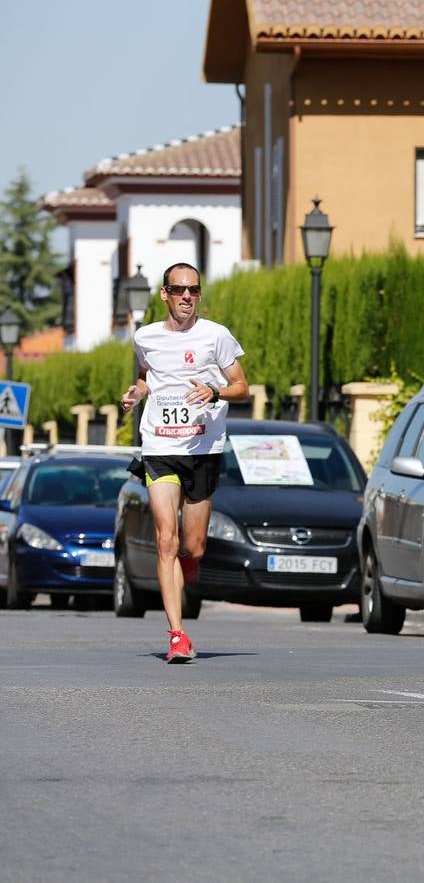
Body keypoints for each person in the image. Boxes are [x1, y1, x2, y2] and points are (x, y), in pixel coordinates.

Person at [120, 263, 248, 663]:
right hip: (159, 444)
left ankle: (189, 562)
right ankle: (177, 634)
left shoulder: (217, 336)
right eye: (179, 290)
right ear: (165, 295)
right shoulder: (145, 337)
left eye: (193, 290)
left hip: (203, 449)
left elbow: (243, 387)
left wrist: (214, 391)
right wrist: (136, 394)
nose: (187, 297)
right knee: (166, 539)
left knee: (192, 545)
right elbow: (147, 375)